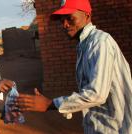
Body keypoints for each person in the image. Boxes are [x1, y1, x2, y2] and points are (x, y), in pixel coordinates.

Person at [15, 0, 132, 133]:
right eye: (62, 20)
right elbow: (89, 94)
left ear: (87, 16)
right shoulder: (84, 46)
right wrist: (63, 106)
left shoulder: (100, 42)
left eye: (70, 18)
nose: (65, 24)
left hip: (116, 129)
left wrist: (50, 104)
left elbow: (97, 94)